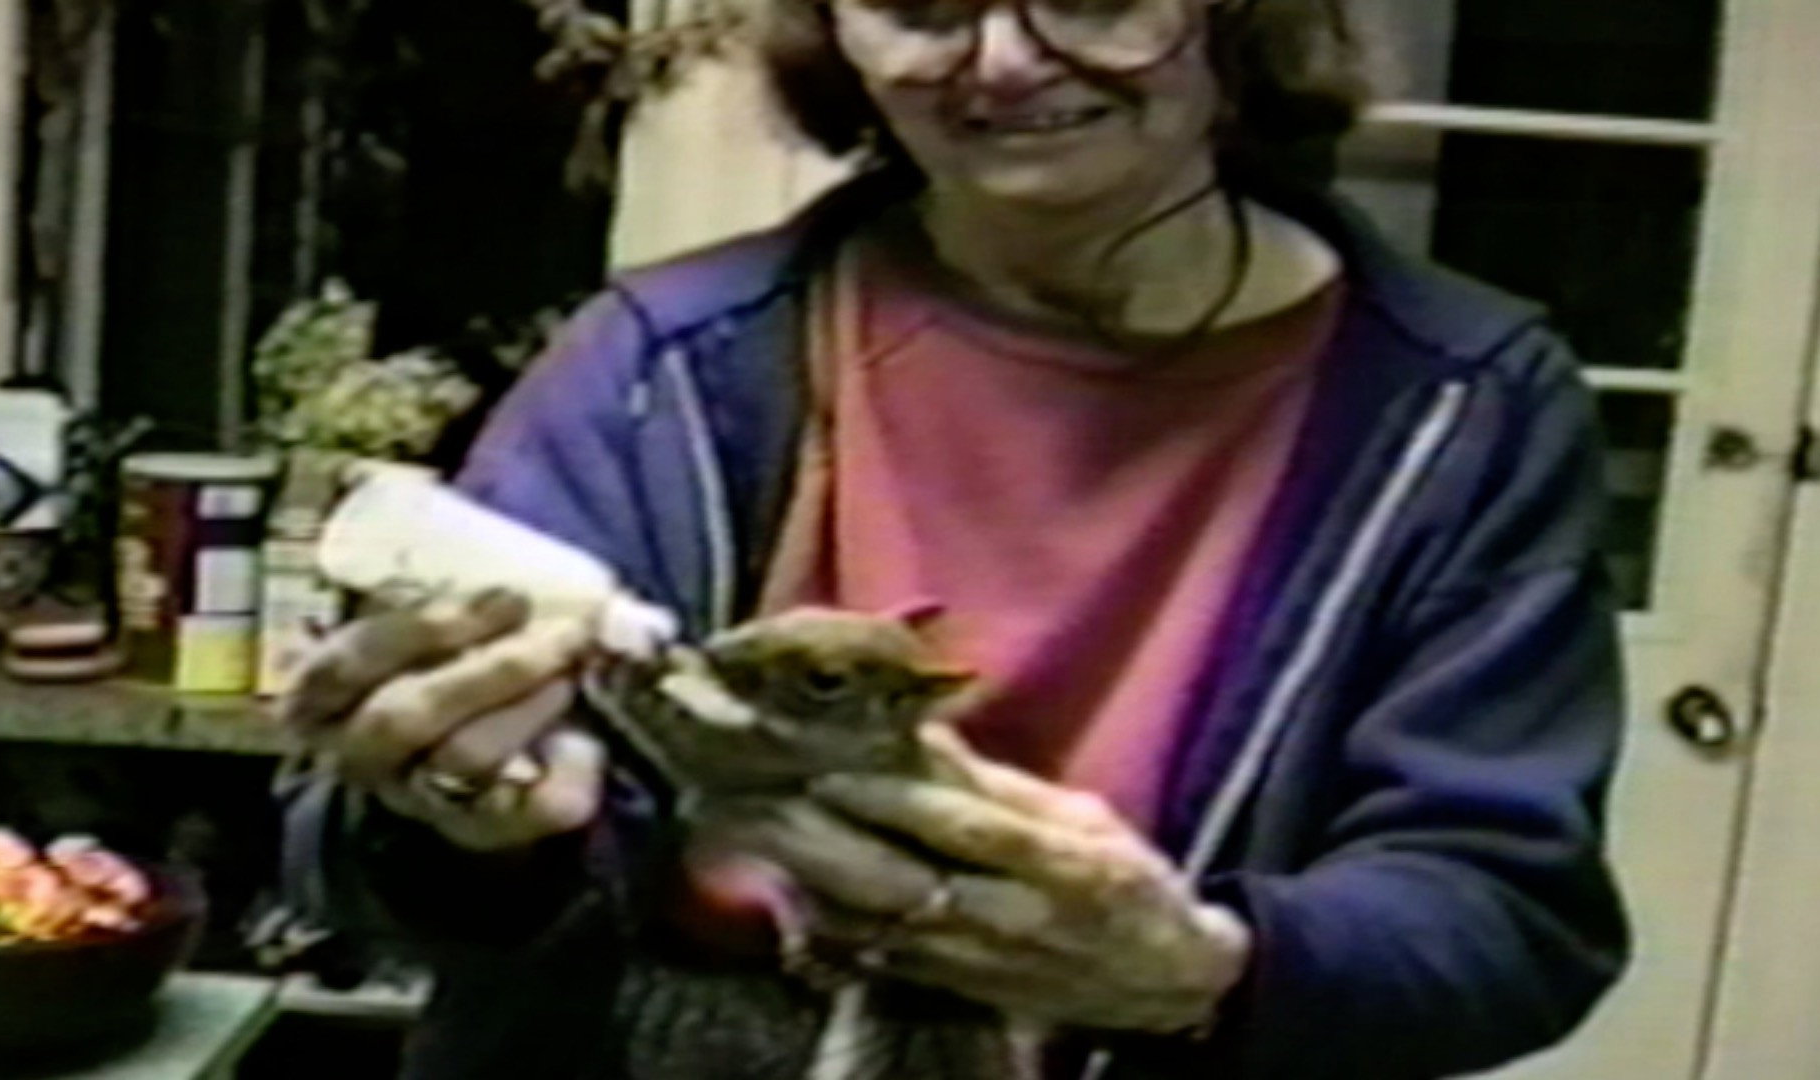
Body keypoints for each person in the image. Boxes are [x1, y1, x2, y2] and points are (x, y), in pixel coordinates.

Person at [276, 0, 1630, 1076]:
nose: (1005, 58)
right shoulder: (656, 368)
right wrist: (458, 821)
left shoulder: (1461, 408)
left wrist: (1205, 969)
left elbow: (1507, 917)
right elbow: (349, 855)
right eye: (923, 3)